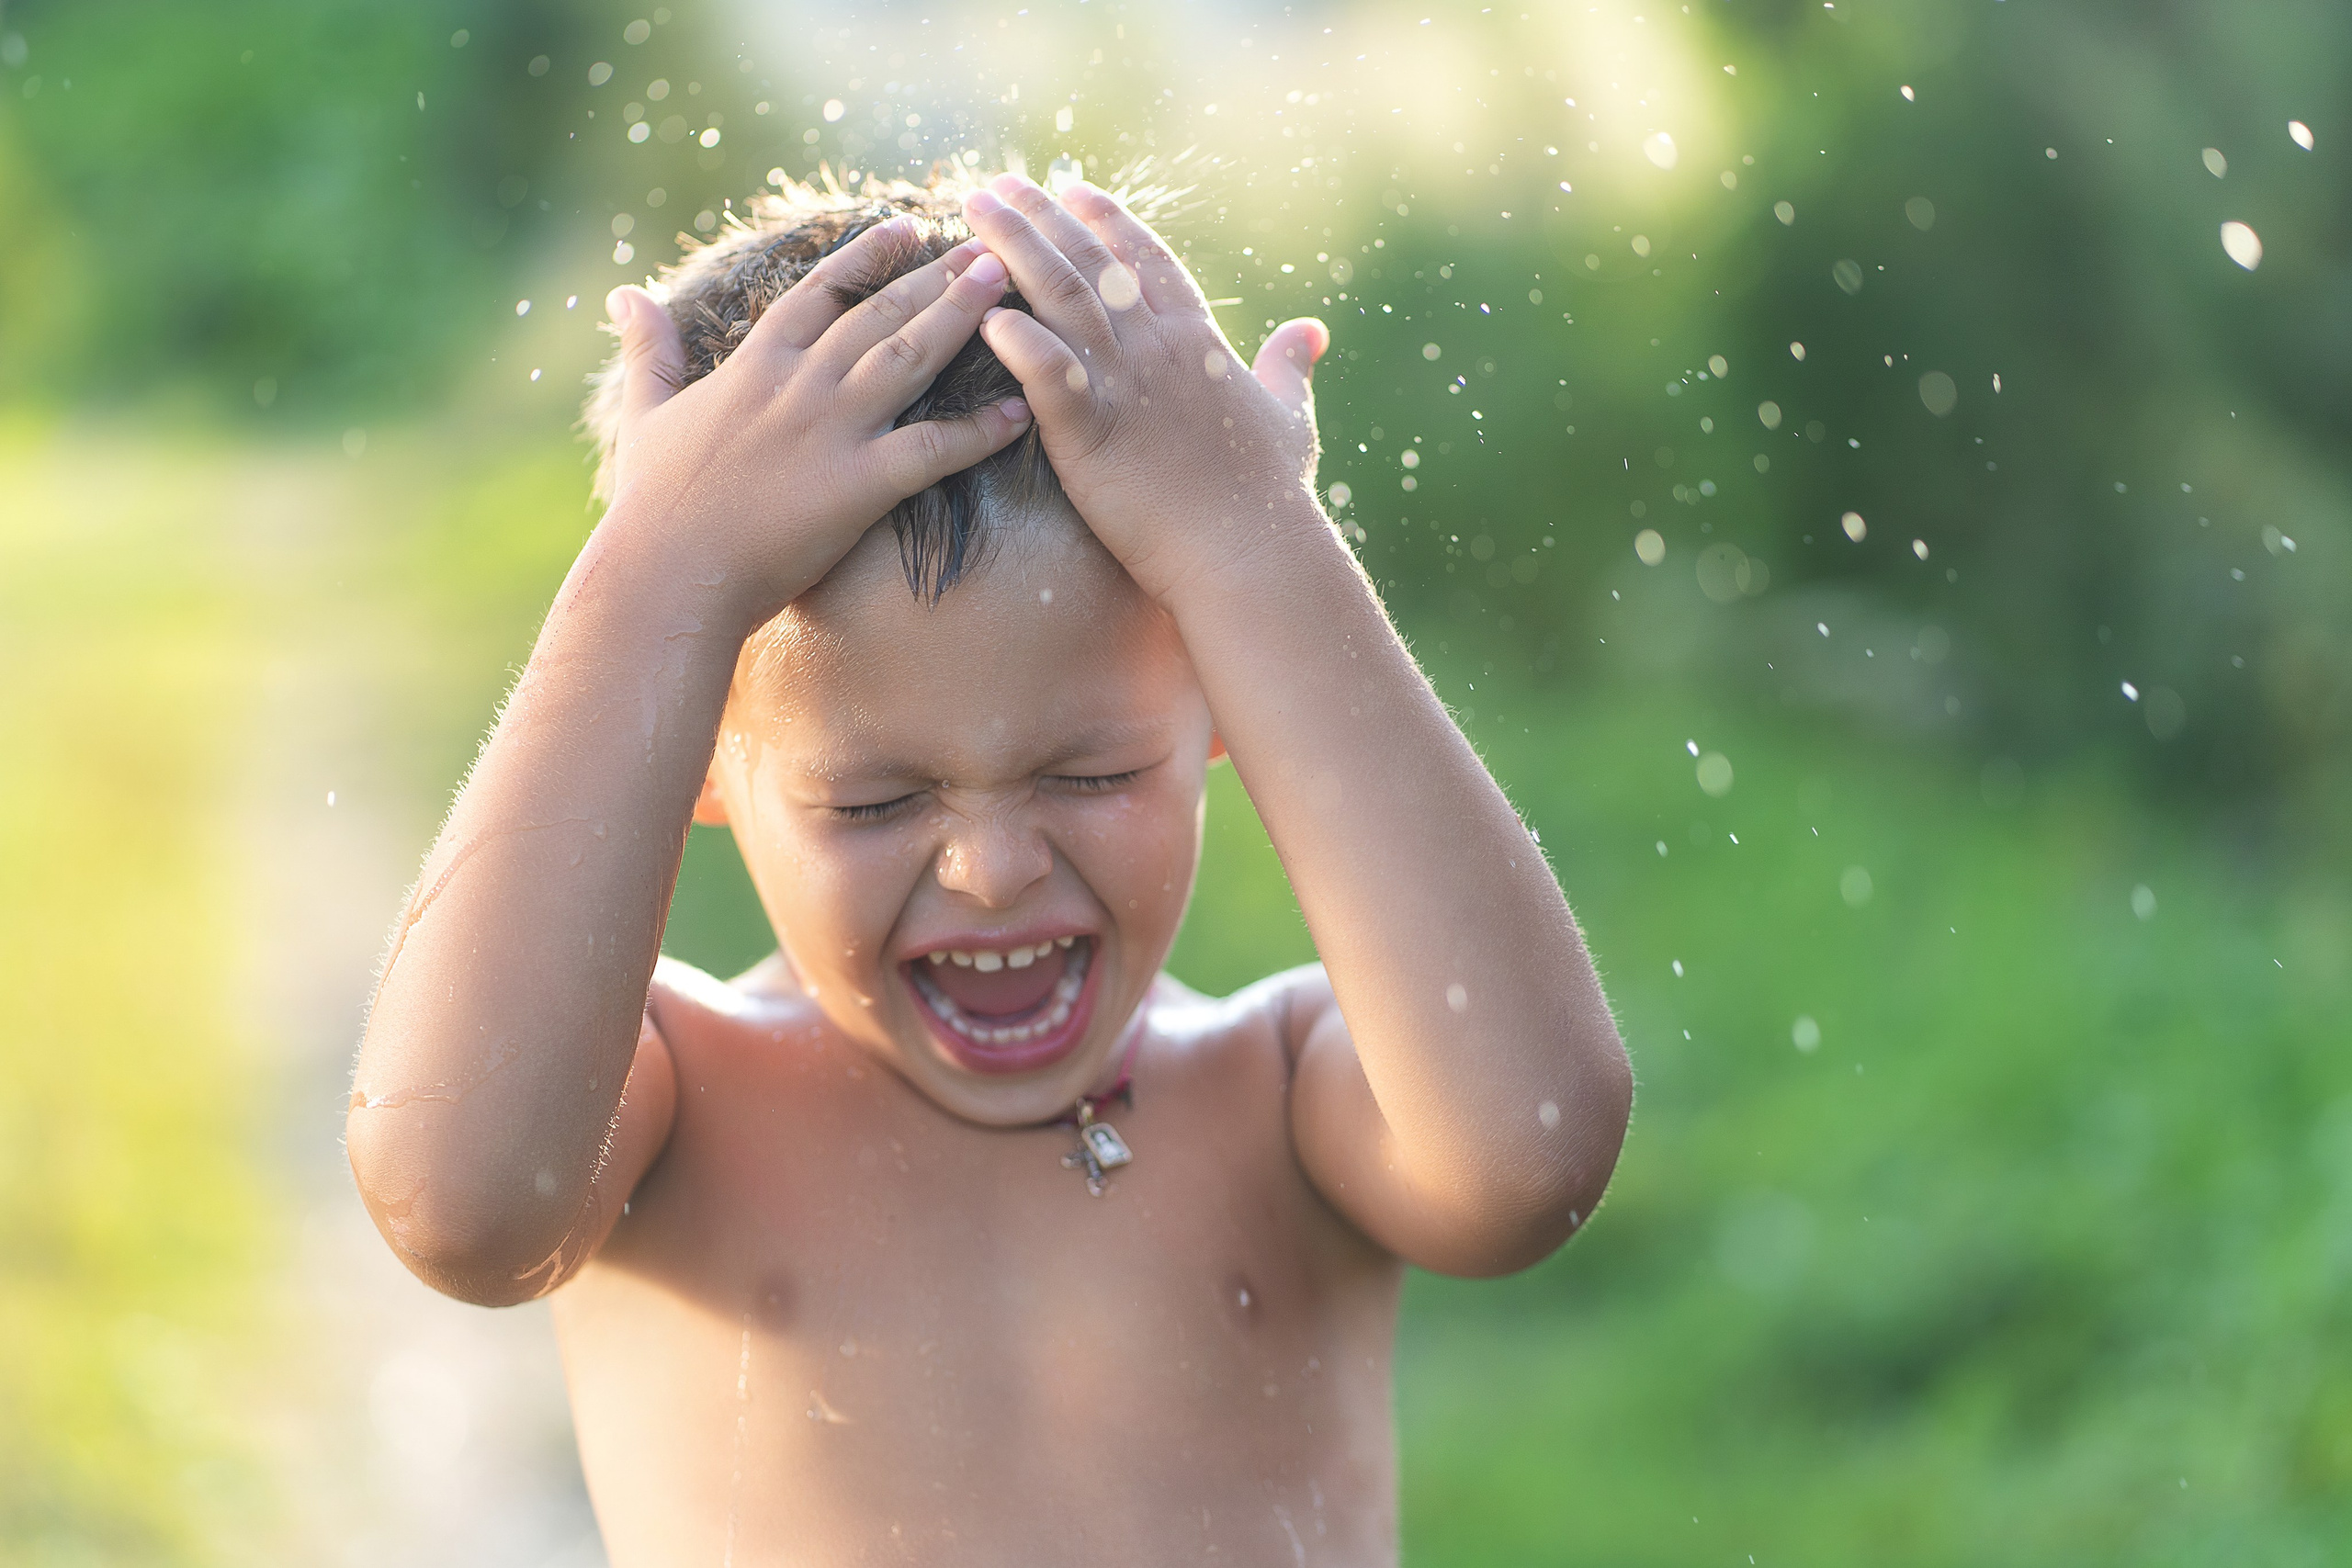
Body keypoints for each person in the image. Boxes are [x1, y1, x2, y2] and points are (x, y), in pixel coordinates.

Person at [347, 167, 1632, 1563]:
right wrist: (654, 578)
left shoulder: (1286, 1093)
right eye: (879, 799)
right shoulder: (673, 1100)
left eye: (1089, 774)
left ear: (1224, 708)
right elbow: (458, 1201)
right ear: (697, 766)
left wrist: (1252, 543)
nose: (994, 868)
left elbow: (1535, 1149)